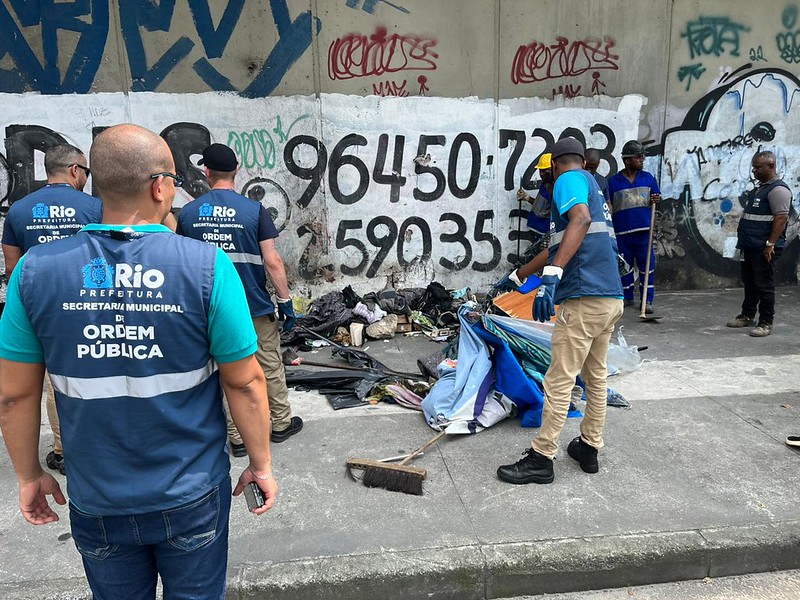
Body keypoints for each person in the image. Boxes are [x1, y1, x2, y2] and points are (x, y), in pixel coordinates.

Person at [0, 124, 277, 599]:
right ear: (158, 185)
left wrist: (29, 475)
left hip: (98, 497)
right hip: (191, 492)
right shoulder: (208, 266)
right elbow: (247, 383)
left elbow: (13, 394)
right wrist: (261, 465)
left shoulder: (33, 271)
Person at [497, 137, 623, 485]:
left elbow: (579, 222)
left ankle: (541, 456)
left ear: (555, 163)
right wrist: (518, 276)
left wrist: (552, 278)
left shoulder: (568, 178)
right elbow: (559, 244)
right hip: (609, 298)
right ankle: (589, 447)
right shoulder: (594, 187)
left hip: (582, 298)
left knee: (559, 379)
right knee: (595, 377)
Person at [177, 143, 302, 454]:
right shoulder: (254, 211)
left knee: (224, 372)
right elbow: (272, 261)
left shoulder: (189, 213)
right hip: (253, 305)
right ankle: (281, 423)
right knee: (268, 365)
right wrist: (285, 302)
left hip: (209, 309)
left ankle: (238, 437)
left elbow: (182, 263)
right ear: (237, 170)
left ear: (206, 172)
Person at [1, 143, 102, 477]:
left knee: (54, 383)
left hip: (42, 308)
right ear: (75, 170)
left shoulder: (18, 210)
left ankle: (64, 451)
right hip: (92, 304)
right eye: (86, 171)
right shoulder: (95, 207)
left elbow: (15, 271)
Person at [726, 150, 791, 337]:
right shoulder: (760, 188)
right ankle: (747, 315)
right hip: (750, 245)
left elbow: (781, 218)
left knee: (764, 284)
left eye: (758, 167)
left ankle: (765, 322)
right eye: (754, 167)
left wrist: (770, 244)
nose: (754, 171)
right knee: (750, 282)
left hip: (764, 248)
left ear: (771, 166)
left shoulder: (778, 190)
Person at [606, 140, 661, 313]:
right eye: (638, 157)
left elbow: (656, 198)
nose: (642, 160)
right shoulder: (613, 182)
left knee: (647, 266)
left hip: (644, 231)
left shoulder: (648, 179)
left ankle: (647, 300)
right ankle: (627, 297)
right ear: (628, 160)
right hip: (621, 232)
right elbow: (610, 206)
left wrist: (656, 200)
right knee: (625, 268)